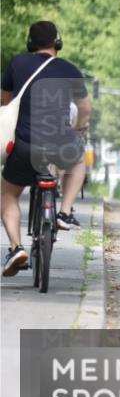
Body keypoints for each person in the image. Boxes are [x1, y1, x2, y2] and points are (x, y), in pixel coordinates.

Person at [2, 21, 90, 275]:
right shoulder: (70, 69)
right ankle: (64, 213)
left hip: (25, 145)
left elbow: (4, 100)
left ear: (30, 43)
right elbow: (85, 109)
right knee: (78, 161)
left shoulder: (17, 64)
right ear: (57, 42)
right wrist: (79, 131)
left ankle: (17, 247)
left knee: (8, 194)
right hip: (60, 142)